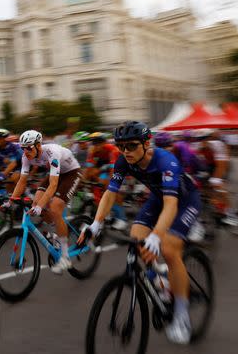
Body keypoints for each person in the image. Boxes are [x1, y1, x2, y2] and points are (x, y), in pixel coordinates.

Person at [79, 120, 201, 344]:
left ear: (147, 143)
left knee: (169, 248)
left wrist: (156, 236)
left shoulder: (166, 161)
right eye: (121, 146)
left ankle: (181, 315)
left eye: (132, 146)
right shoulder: (124, 161)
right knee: (136, 238)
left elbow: (171, 205)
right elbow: (110, 194)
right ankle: (161, 279)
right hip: (157, 198)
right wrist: (95, 224)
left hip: (184, 200)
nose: (126, 151)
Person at [11, 130, 82, 274]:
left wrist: (40, 206)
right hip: (56, 173)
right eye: (22, 148)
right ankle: (57, 233)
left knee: (55, 208)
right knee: (36, 202)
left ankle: (65, 256)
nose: (25, 151)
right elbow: (22, 181)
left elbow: (53, 185)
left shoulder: (52, 152)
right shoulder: (26, 156)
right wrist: (10, 201)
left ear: (38, 145)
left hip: (71, 173)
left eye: (29, 147)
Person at [85, 132, 127, 230]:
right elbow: (88, 171)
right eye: (93, 143)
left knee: (113, 188)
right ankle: (104, 210)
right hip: (105, 165)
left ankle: (122, 218)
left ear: (104, 143)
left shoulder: (113, 150)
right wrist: (86, 181)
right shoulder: (92, 151)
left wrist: (108, 184)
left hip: (120, 165)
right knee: (94, 178)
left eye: (98, 143)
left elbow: (113, 173)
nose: (95, 145)